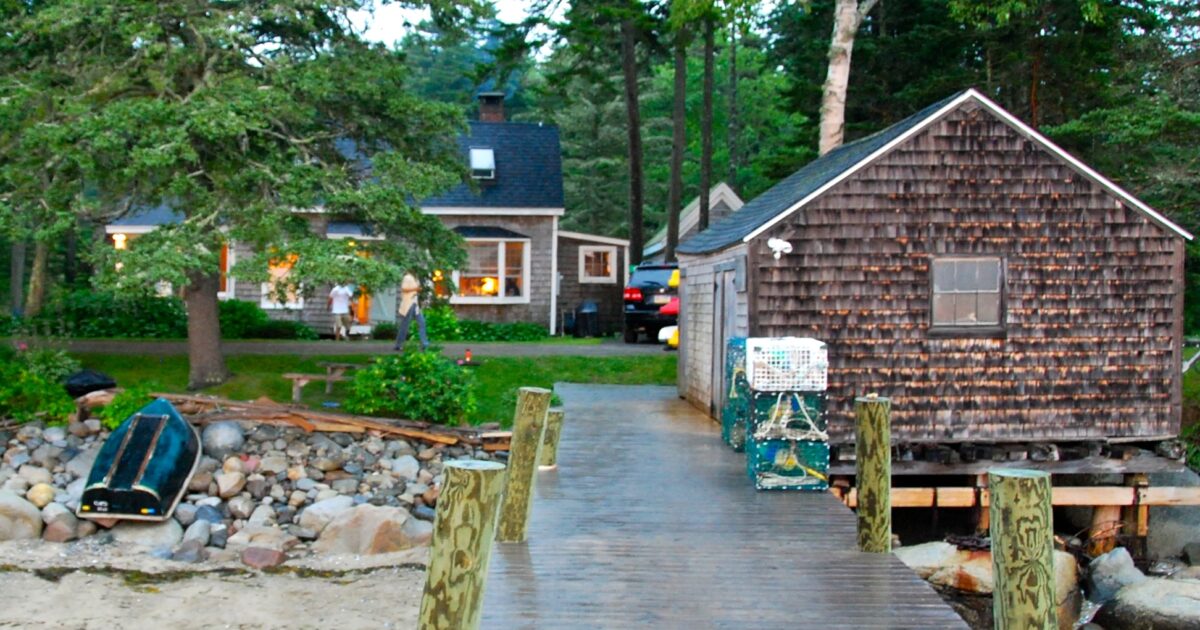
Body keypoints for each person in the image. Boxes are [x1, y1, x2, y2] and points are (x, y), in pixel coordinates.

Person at [394, 272, 429, 352]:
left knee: (422, 323)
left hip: (415, 304)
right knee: (405, 326)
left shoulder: (415, 278)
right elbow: (404, 288)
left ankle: (424, 344)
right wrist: (415, 289)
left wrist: (417, 289)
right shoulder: (407, 277)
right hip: (408, 305)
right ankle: (398, 345)